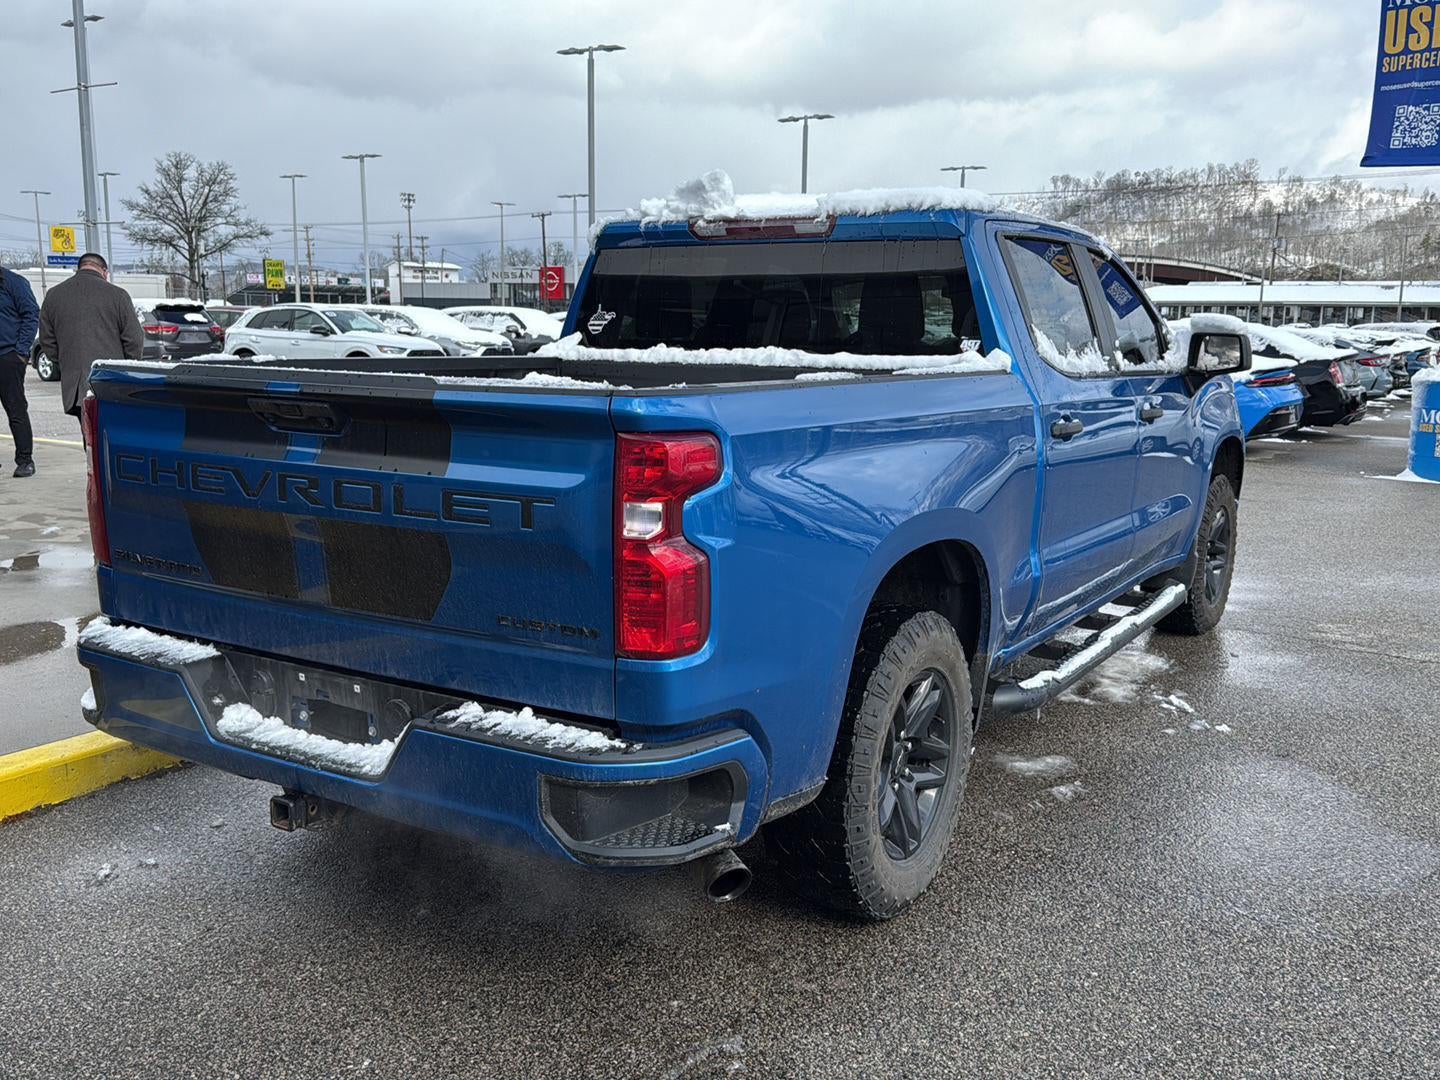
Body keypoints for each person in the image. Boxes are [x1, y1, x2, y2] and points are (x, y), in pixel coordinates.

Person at [37, 251, 143, 424]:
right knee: (114, 436)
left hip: (76, 386)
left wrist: (66, 362)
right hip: (112, 382)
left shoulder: (53, 295)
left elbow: (47, 341)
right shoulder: (118, 295)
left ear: (79, 268)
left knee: (89, 438)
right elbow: (134, 339)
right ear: (104, 271)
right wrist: (126, 369)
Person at [0, 264, 39, 477]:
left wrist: (21, 351)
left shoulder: (13, 282)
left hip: (7, 356)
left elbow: (31, 314)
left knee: (15, 409)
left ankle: (25, 460)